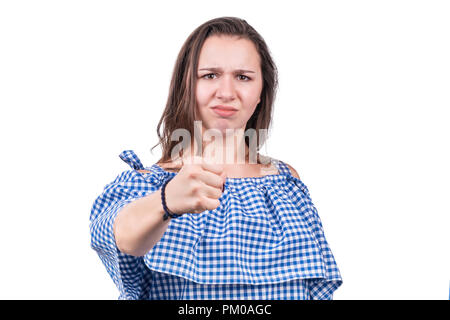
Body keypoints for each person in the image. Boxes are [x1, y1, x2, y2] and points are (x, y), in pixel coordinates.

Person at [89, 16, 342, 300]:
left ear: (261, 92)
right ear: (187, 85)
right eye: (209, 75)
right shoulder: (149, 184)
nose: (226, 93)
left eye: (243, 77)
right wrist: (166, 200)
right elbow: (117, 235)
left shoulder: (286, 181)